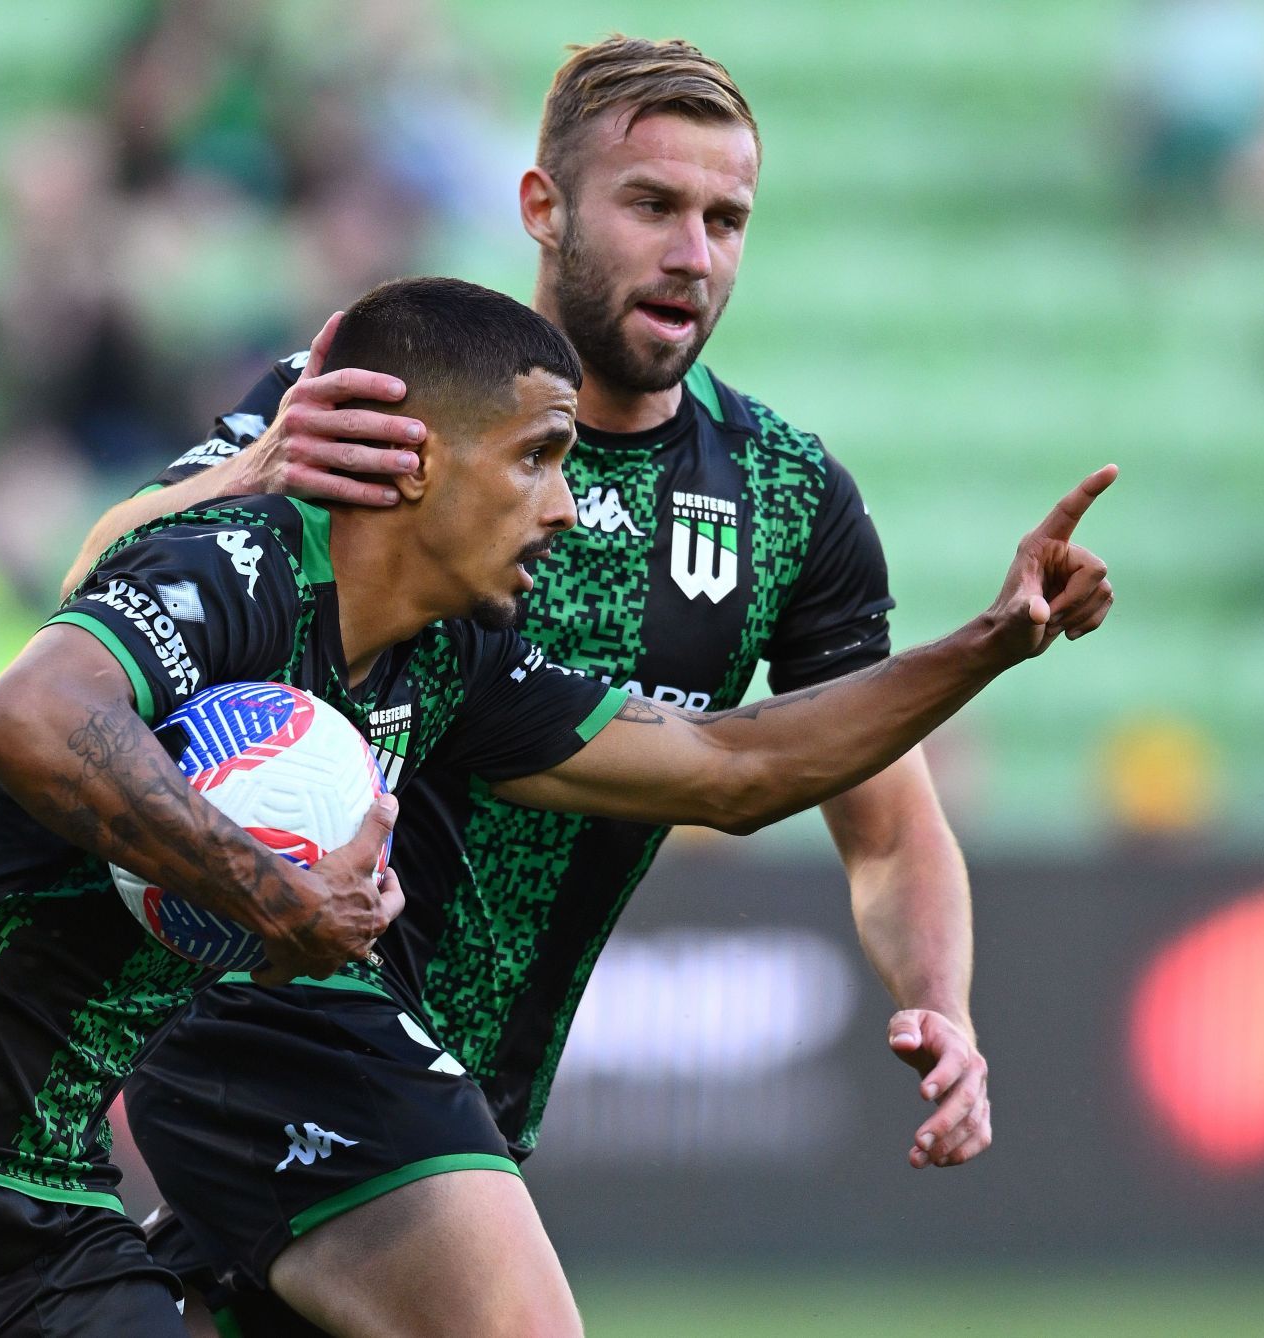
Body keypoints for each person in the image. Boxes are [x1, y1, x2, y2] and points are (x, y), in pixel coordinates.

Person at [0, 276, 1112, 1334]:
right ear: (424, 460)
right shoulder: (239, 565)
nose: (565, 508)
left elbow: (733, 768)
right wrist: (272, 893)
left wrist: (987, 643)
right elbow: (30, 713)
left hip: (54, 1192)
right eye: (539, 458)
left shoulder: (443, 662)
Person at [67, 38, 1022, 1337]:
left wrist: (941, 1001)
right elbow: (103, 578)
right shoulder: (385, 392)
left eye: (726, 217)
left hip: (474, 1100)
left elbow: (890, 826)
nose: (694, 251)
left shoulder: (785, 498)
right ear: (542, 207)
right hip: (280, 1012)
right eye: (653, 206)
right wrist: (249, 471)